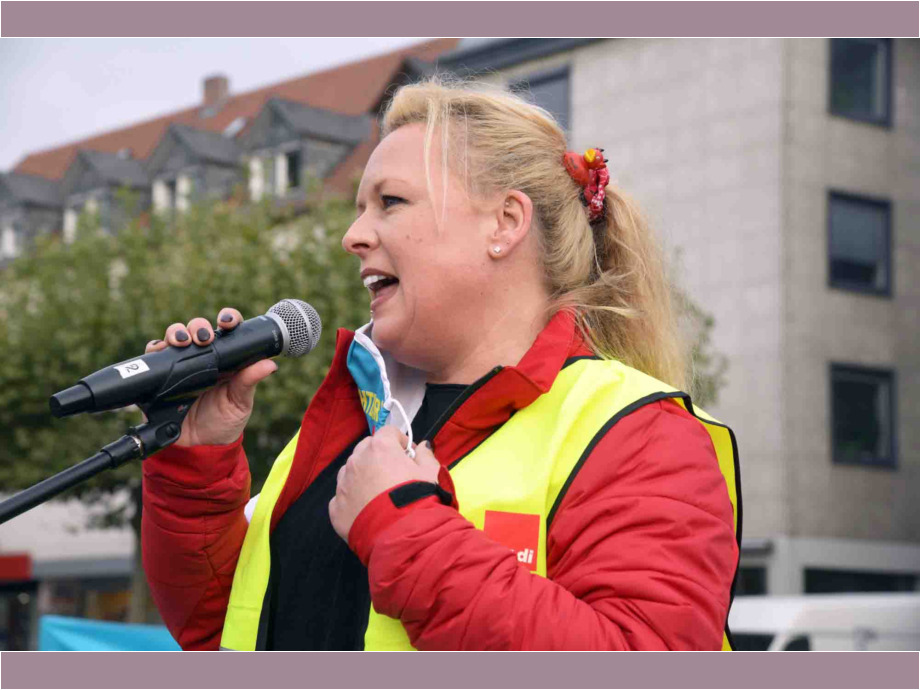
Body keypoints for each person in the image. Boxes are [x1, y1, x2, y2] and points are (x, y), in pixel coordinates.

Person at [141, 78, 741, 651]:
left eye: (390, 202)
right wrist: (193, 470)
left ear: (505, 223)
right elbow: (227, 628)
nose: (353, 235)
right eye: (359, 208)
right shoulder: (346, 419)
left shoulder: (639, 433)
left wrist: (402, 530)